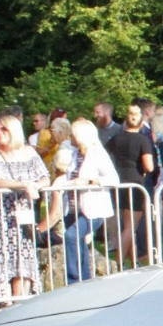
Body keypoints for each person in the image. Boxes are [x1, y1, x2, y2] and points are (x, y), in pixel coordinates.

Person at [0, 115, 50, 301]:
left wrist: (36, 185)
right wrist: (25, 184)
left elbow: (45, 177)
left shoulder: (29, 151)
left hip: (23, 212)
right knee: (2, 258)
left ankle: (22, 299)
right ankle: (5, 300)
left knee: (24, 256)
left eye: (4, 129)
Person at [62, 118, 120, 284]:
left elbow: (113, 179)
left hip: (93, 209)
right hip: (73, 208)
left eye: (73, 134)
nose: (70, 137)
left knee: (71, 236)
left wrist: (89, 181)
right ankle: (85, 280)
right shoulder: (75, 154)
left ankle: (73, 280)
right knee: (79, 243)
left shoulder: (97, 153)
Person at [106, 102, 156, 264]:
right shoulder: (142, 140)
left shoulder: (116, 138)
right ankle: (119, 262)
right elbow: (149, 166)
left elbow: (106, 155)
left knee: (126, 224)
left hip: (119, 182)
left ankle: (133, 260)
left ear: (126, 122)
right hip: (135, 183)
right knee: (130, 226)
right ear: (141, 123)